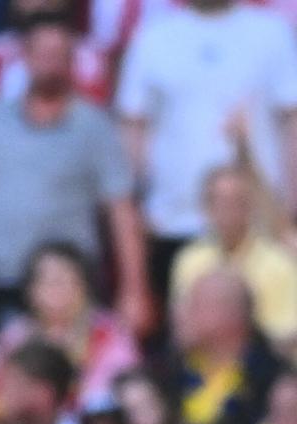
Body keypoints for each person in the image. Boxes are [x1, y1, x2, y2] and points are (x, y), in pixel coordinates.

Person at [0, 12, 150, 334]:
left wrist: (134, 290)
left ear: (72, 60)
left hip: (69, 289)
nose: (50, 63)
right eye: (42, 53)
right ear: (24, 58)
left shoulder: (96, 127)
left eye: (59, 54)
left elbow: (121, 210)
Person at [116, 0, 297, 301]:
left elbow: (291, 122)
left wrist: (290, 209)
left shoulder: (273, 32)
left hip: (258, 225)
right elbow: (134, 127)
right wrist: (138, 203)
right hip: (175, 223)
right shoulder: (153, 36)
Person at [171, 165, 297, 357]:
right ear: (206, 207)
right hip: (201, 366)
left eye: (236, 201)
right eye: (218, 202)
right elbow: (182, 332)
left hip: (261, 367)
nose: (227, 211)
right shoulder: (189, 260)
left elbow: (286, 336)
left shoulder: (279, 264)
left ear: (250, 206)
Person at [0, 243, 140, 407]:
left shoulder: (111, 333)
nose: (54, 289)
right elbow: (0, 397)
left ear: (84, 286)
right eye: (45, 281)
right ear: (30, 290)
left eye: (62, 280)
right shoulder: (15, 338)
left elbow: (126, 390)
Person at [167, 269, 289, 424]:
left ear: (232, 313)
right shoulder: (167, 374)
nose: (179, 314)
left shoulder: (275, 382)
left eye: (194, 305)